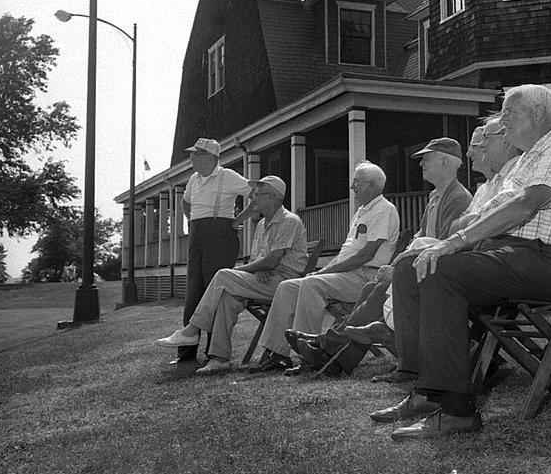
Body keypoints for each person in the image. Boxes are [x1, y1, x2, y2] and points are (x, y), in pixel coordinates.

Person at [371, 84, 551, 441]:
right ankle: (427, 390)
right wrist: (446, 243)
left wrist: (455, 243)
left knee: (442, 271)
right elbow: (486, 213)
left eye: (510, 113)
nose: (503, 122)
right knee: (411, 267)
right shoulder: (524, 162)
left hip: (548, 261)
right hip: (511, 253)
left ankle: (458, 409)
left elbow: (524, 206)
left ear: (537, 116)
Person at [291, 138, 472, 377]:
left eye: (426, 159)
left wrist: (397, 266)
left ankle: (328, 345)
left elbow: (446, 246)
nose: (421, 165)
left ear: (444, 162)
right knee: (370, 289)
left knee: (376, 291)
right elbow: (420, 236)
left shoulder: (458, 198)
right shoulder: (435, 198)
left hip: (439, 272)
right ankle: (337, 359)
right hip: (422, 267)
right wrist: (397, 263)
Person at [249, 161, 399, 374]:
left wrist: (325, 273)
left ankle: (308, 356)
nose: (352, 186)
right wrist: (323, 270)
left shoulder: (384, 210)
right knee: (288, 287)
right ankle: (278, 355)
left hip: (366, 276)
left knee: (312, 285)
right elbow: (346, 253)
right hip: (347, 274)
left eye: (357, 181)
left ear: (372, 185)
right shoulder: (361, 212)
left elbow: (366, 255)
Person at [155, 175, 307, 374]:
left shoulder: (289, 221)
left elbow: (272, 260)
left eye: (258, 195)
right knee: (227, 296)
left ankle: (191, 330)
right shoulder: (261, 225)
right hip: (266, 280)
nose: (253, 199)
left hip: (284, 282)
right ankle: (220, 358)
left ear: (273, 198)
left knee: (224, 276)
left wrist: (244, 270)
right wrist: (257, 268)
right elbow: (261, 260)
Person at [170, 138, 254, 365]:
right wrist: (193, 219)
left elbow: (257, 194)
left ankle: (213, 352)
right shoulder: (193, 180)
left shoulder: (227, 176)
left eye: (195, 155)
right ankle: (186, 354)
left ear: (210, 158)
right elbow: (185, 202)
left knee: (214, 292)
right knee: (194, 292)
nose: (191, 158)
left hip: (221, 237)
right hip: (197, 237)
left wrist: (238, 220)